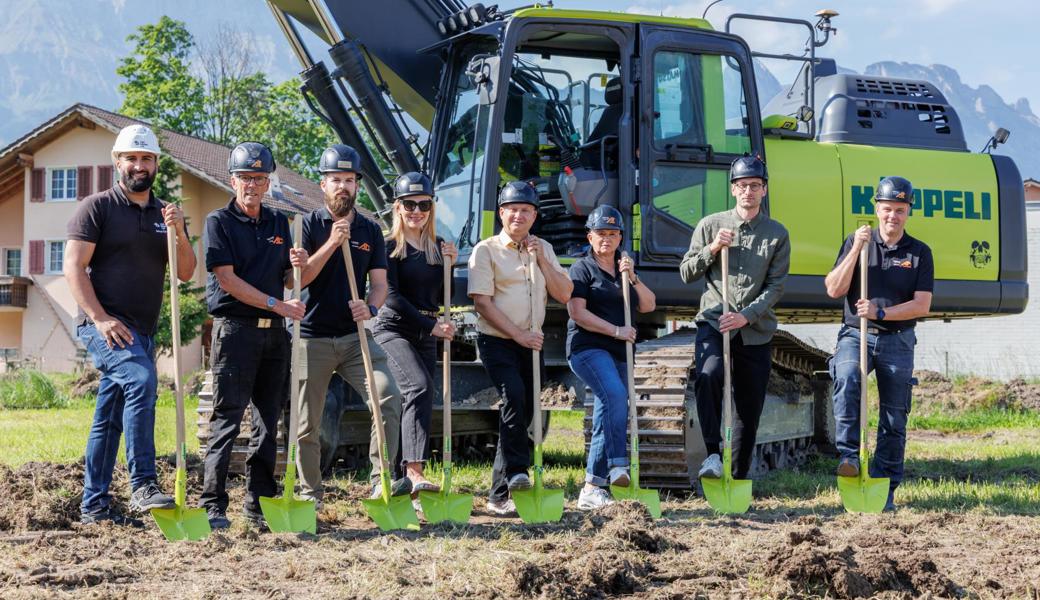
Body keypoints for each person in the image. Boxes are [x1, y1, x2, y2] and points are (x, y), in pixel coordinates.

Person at [65, 124, 197, 526]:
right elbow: (73, 267)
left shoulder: (166, 214)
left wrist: (177, 231)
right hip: (101, 324)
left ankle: (95, 506)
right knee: (141, 381)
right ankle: (142, 482)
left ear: (156, 164)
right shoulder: (97, 207)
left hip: (141, 330)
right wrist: (101, 318)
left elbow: (187, 272)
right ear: (117, 162)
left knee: (111, 412)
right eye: (132, 158)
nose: (139, 165)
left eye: (146, 159)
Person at [199, 142, 306, 530]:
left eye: (259, 178)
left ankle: (259, 503)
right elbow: (226, 281)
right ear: (233, 180)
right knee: (226, 418)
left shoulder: (280, 223)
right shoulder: (219, 221)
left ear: (267, 183)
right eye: (245, 178)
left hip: (275, 337)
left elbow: (292, 280)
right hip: (236, 332)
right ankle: (213, 504)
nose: (252, 185)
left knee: (268, 420)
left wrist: (299, 266)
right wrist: (278, 304)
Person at [294, 144, 409, 503]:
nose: (343, 186)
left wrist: (371, 309)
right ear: (323, 184)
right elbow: (297, 281)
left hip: (354, 336)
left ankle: (381, 480)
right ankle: (309, 490)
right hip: (310, 338)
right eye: (335, 180)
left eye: (349, 180)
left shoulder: (371, 230)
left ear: (357, 185)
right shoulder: (306, 224)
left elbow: (379, 285)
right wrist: (331, 243)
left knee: (389, 395)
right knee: (306, 422)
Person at [824, 176, 933, 512]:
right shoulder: (856, 242)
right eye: (887, 209)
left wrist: (880, 311)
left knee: (894, 417)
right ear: (876, 208)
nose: (892, 216)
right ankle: (849, 457)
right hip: (856, 334)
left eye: (900, 210)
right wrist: (857, 248)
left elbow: (922, 305)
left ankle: (885, 488)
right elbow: (833, 289)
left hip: (898, 340)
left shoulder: (918, 253)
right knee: (846, 377)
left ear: (908, 212)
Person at [679, 155, 790, 483]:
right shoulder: (711, 225)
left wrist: (745, 316)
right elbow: (687, 273)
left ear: (764, 190)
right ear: (733, 190)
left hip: (755, 330)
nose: (748, 192)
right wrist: (712, 249)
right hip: (714, 321)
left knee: (748, 407)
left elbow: (775, 287)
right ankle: (712, 454)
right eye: (742, 186)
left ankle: (738, 478)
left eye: (755, 186)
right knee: (709, 374)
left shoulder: (777, 234)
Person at [468, 181, 573, 516]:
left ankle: (499, 495)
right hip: (497, 340)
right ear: (501, 213)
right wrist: (518, 335)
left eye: (525, 210)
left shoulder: (543, 248)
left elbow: (565, 293)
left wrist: (542, 259)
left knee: (523, 412)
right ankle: (517, 472)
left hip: (532, 343)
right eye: (512, 209)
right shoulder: (485, 250)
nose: (518, 215)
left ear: (534, 216)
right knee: (512, 395)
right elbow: (482, 303)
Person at [372, 172, 458, 495]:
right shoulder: (389, 247)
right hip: (393, 328)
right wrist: (430, 326)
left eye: (423, 204)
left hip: (427, 332)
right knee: (418, 387)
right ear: (398, 207)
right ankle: (414, 470)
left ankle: (399, 479)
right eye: (409, 204)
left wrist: (451, 265)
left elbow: (441, 299)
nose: (416, 211)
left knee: (420, 397)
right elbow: (392, 296)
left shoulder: (438, 249)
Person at [566, 206, 656, 510]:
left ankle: (593, 486)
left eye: (613, 233)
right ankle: (618, 465)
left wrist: (632, 278)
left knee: (613, 405)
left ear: (620, 237)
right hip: (588, 347)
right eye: (601, 233)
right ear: (590, 236)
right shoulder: (582, 269)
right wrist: (617, 330)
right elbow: (577, 313)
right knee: (615, 394)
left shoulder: (624, 268)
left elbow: (648, 305)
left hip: (619, 350)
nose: (607, 238)